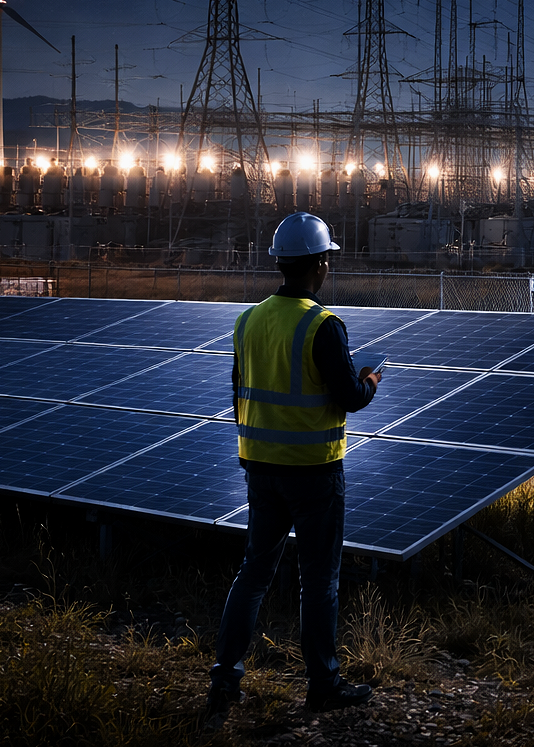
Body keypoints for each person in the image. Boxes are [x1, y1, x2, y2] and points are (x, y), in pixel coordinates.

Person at [203, 212, 382, 730]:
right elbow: (349, 398)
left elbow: (239, 391)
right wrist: (369, 380)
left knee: (253, 574)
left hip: (260, 469)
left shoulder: (248, 320)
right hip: (314, 472)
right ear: (322, 265)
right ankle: (323, 685)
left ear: (281, 262)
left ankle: (224, 681)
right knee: (319, 580)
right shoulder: (323, 325)